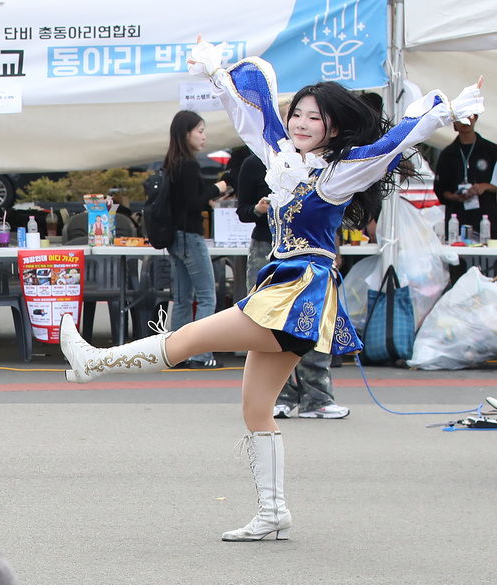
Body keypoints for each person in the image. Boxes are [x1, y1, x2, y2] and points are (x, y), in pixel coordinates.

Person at [60, 40, 483, 542]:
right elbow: (250, 121)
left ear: (335, 127)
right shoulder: (285, 161)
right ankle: (273, 513)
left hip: (298, 291)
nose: (301, 123)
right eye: (298, 113)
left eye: (314, 118)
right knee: (256, 408)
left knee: (192, 336)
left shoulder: (341, 171)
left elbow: (394, 144)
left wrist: (445, 111)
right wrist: (218, 75)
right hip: (285, 289)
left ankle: (94, 364)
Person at [237, 152, 350, 420]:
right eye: (294, 118)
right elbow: (242, 211)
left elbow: (328, 211)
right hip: (268, 248)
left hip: (310, 252)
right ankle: (279, 396)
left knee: (312, 321)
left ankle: (318, 397)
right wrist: (258, 209)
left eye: (310, 118)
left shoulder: (322, 165)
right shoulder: (255, 162)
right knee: (269, 323)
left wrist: (334, 248)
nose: (300, 126)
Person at [163, 109, 228, 368]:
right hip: (190, 236)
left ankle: (175, 354)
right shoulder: (188, 164)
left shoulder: (171, 162)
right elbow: (193, 203)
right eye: (200, 131)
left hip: (174, 238)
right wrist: (217, 188)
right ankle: (201, 354)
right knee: (206, 296)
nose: (204, 137)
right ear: (186, 133)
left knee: (181, 298)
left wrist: (208, 193)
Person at [434, 113, 497, 237]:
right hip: (457, 218)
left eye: (470, 116)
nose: (465, 121)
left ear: (476, 118)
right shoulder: (448, 154)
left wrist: (485, 186)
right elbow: (441, 188)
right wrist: (454, 196)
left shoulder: (492, 150)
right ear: (454, 122)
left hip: (487, 218)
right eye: (460, 118)